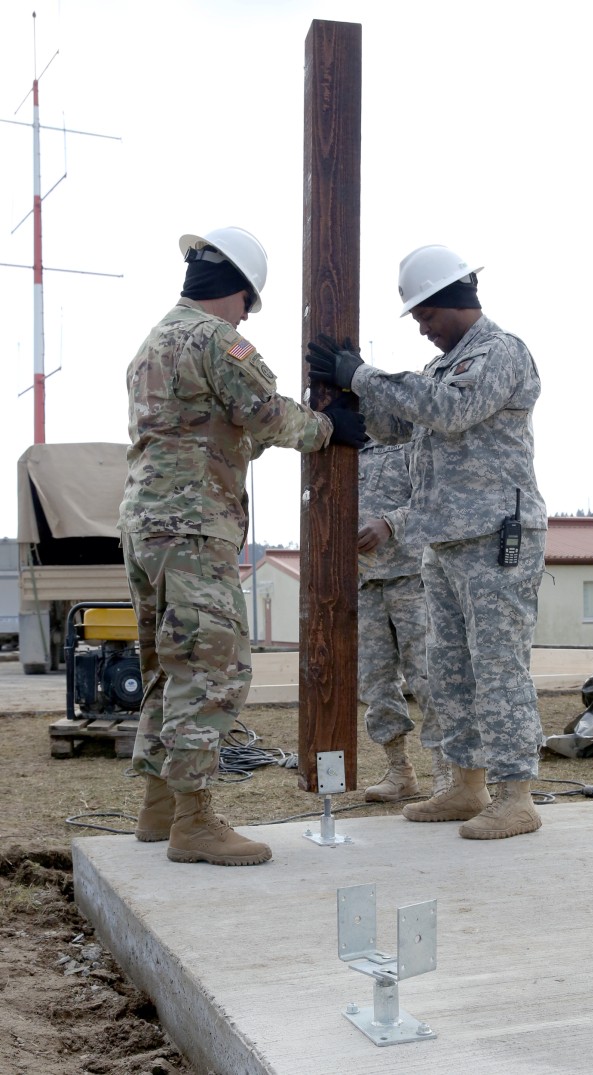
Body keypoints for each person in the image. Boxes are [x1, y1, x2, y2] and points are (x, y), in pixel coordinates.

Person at [118, 225, 366, 867]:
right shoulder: (216, 340)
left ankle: (159, 809)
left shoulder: (152, 343)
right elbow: (264, 414)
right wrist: (329, 428)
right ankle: (195, 823)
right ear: (241, 294)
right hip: (195, 522)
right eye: (248, 305)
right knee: (212, 666)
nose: (245, 315)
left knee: (166, 664)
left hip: (144, 523)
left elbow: (207, 429)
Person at [307, 243, 548, 840]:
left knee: (497, 666)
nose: (422, 328)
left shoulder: (498, 352)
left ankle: (516, 794)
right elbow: (402, 429)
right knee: (449, 669)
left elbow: (448, 411)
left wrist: (363, 375)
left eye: (426, 316)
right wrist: (354, 396)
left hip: (495, 536)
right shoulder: (445, 365)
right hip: (441, 541)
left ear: (454, 301)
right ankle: (465, 785)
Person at [357, 436, 449, 802]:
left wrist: (390, 523)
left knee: (427, 677)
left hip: (412, 577)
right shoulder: (349, 450)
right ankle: (400, 771)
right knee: (375, 681)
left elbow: (433, 499)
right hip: (364, 581)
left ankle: (446, 771)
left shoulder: (414, 443)